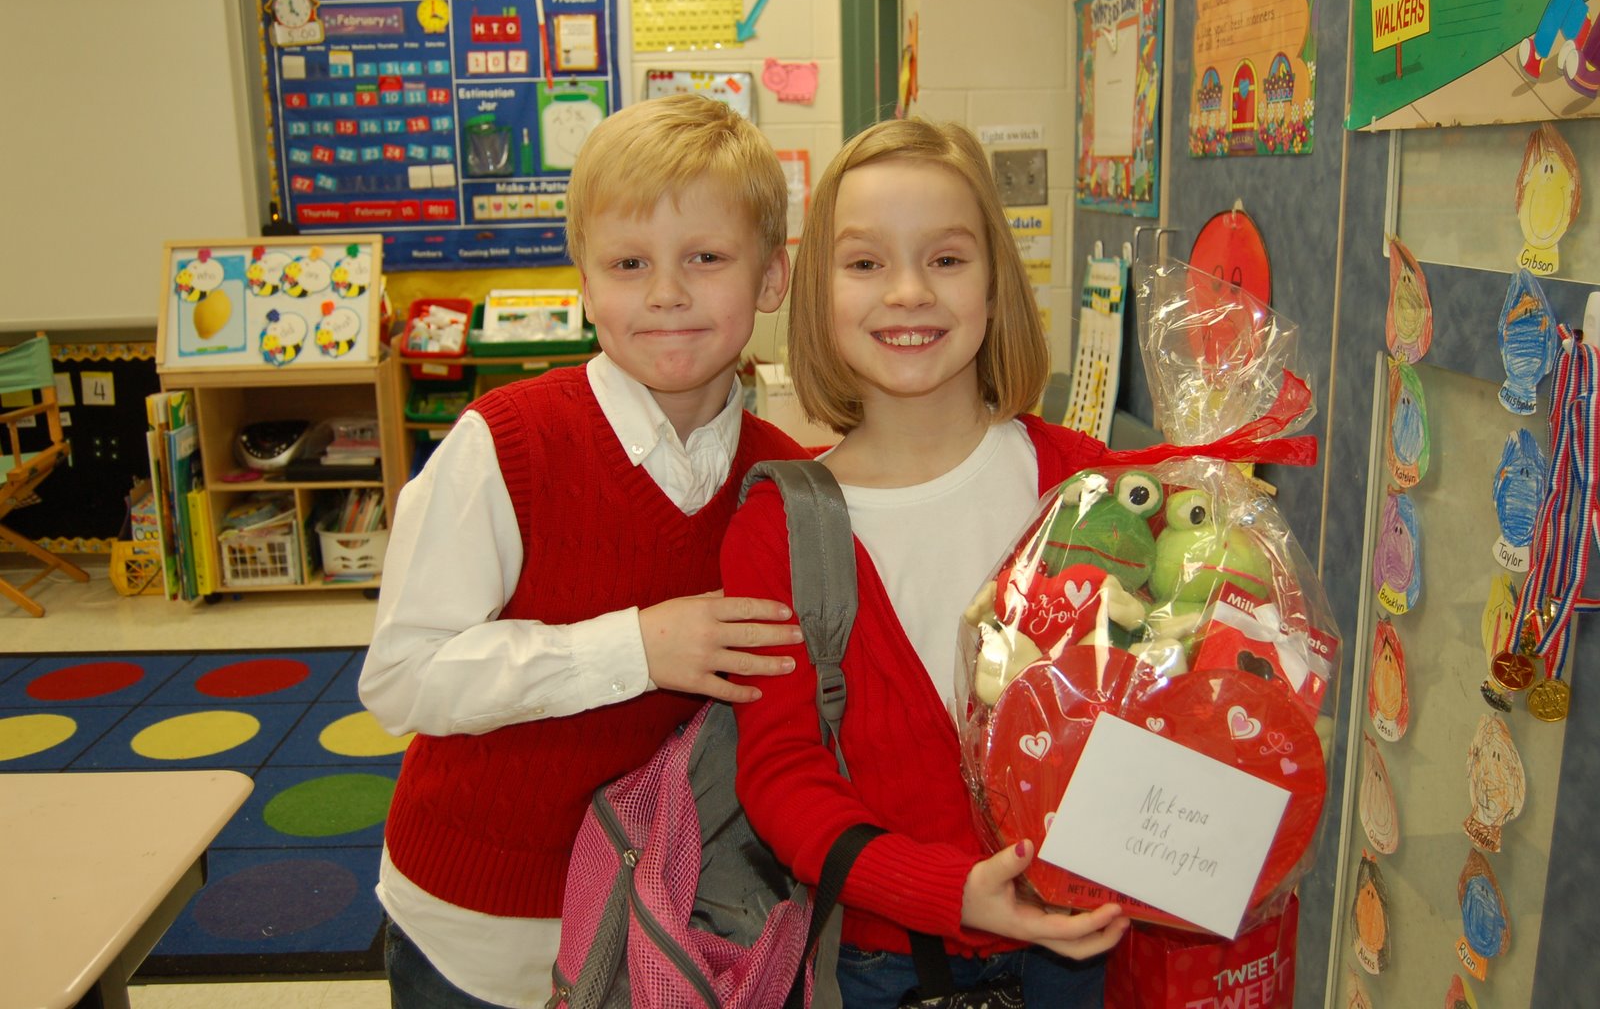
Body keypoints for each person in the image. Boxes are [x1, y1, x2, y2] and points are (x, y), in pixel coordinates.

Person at [360, 93, 811, 1009]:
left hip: (677, 930)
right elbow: (403, 678)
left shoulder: (788, 480)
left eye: (707, 259)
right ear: (585, 281)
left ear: (771, 278)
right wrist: (635, 648)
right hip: (484, 933)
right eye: (629, 263)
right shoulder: (507, 443)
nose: (667, 293)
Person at [721, 118, 1130, 1008]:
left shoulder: (1084, 483)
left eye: (946, 259)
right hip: (891, 967)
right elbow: (783, 777)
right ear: (817, 293)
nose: (908, 292)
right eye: (865, 263)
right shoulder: (779, 526)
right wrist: (947, 892)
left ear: (995, 284)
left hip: (1091, 952)